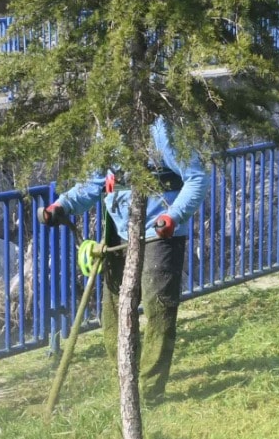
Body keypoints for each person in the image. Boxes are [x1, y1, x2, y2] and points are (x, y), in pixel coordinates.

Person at [40, 117, 208, 404]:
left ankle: (151, 393)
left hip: (160, 229)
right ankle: (126, 383)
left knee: (159, 311)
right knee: (112, 312)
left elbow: (196, 177)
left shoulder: (162, 127)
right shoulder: (108, 126)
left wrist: (174, 216)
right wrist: (63, 204)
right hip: (119, 232)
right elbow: (94, 183)